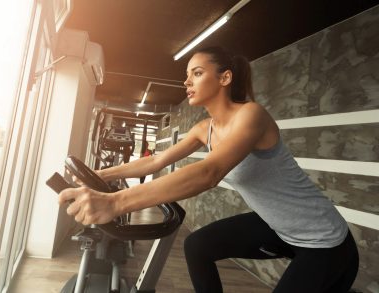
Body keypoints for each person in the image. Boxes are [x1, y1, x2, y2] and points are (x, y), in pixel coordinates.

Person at [59, 46, 359, 293]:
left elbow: (210, 172)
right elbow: (154, 161)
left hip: (324, 241)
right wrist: (101, 176)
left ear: (225, 77)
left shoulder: (251, 115)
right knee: (198, 246)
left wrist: (115, 202)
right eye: (187, 76)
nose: (186, 82)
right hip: (279, 227)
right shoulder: (205, 129)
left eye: (197, 73)